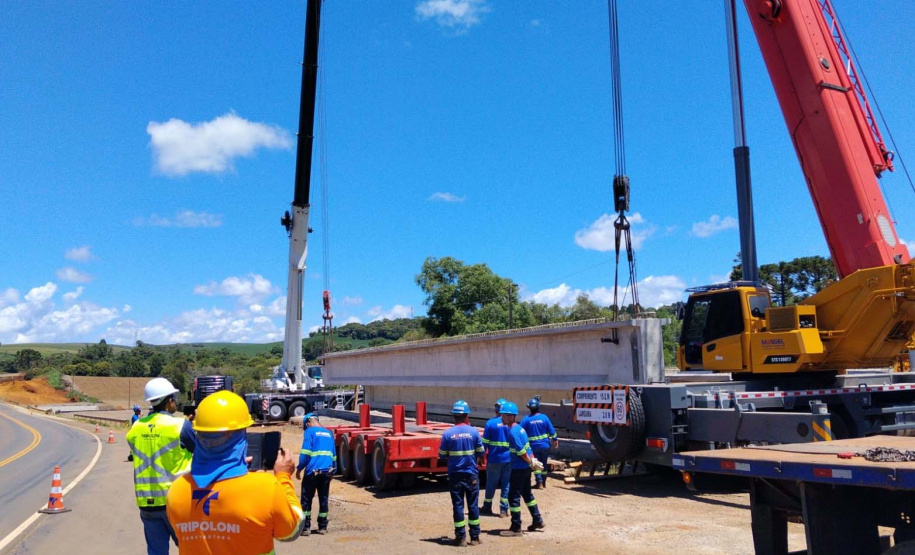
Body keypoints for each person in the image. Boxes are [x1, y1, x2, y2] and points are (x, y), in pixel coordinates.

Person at [166, 390, 304, 554]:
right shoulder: (265, 488)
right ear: (240, 436)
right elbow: (291, 530)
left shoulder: (176, 491)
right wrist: (283, 476)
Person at [127, 377, 196, 555]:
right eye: (174, 398)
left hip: (146, 502)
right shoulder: (180, 425)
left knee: (156, 552)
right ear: (169, 400)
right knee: (190, 549)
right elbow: (199, 451)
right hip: (175, 501)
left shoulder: (136, 427)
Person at [438, 400, 484, 547]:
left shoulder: (448, 434)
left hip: (455, 474)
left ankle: (460, 538)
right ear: (466, 416)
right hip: (471, 474)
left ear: (454, 416)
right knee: (473, 506)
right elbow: (481, 452)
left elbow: (442, 455)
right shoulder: (474, 432)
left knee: (458, 506)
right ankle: (475, 537)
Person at [500, 401, 544, 536]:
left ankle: (516, 527)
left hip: (518, 469)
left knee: (513, 497)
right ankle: (537, 519)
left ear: (511, 416)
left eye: (504, 415)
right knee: (527, 494)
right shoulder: (520, 429)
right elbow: (528, 447)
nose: (502, 418)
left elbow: (521, 452)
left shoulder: (513, 432)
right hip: (525, 469)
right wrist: (532, 461)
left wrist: (530, 461)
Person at [295, 412, 336, 536]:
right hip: (327, 471)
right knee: (323, 498)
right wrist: (333, 470)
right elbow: (334, 455)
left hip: (312, 472)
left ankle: (305, 528)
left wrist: (299, 468)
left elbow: (305, 453)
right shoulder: (329, 433)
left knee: (306, 499)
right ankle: (322, 527)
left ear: (308, 423)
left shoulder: (310, 432)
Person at [481, 398, 511, 518]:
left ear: (496, 410)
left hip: (494, 459)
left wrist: (480, 456)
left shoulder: (490, 423)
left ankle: (487, 506)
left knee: (491, 484)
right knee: (506, 484)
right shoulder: (510, 424)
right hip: (508, 459)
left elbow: (484, 443)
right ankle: (504, 510)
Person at [521, 397, 558, 488]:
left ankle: (539, 482)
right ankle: (543, 481)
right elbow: (552, 431)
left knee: (536, 464)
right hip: (545, 446)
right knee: (543, 464)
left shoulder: (526, 420)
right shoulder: (544, 418)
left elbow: (519, 431)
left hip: (533, 446)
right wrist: (555, 440)